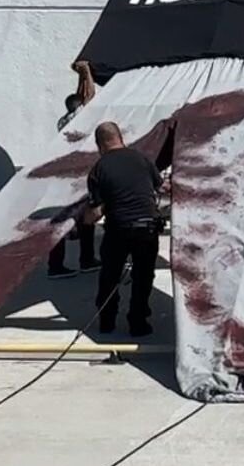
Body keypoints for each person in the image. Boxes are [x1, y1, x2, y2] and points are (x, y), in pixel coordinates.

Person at [84, 121, 167, 336]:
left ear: (99, 144)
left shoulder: (98, 169)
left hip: (118, 229)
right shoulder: (142, 159)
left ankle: (107, 321)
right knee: (143, 277)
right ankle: (138, 324)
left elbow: (95, 213)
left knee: (110, 276)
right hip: (147, 228)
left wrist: (82, 219)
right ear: (121, 138)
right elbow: (161, 187)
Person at [48, 62, 99, 278]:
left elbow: (81, 98)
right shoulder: (78, 119)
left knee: (69, 221)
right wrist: (86, 72)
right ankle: (81, 261)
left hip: (63, 176)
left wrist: (81, 75)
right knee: (81, 220)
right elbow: (89, 98)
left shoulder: (63, 121)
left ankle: (73, 262)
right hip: (77, 177)